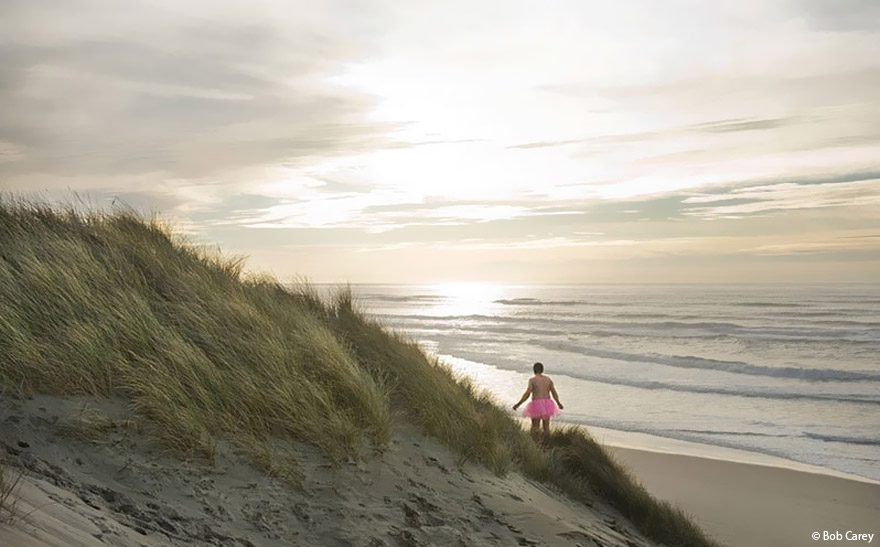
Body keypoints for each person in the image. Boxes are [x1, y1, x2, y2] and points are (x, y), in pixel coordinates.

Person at [513, 362, 563, 442]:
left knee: (535, 427)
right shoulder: (548, 380)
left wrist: (518, 404)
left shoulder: (532, 380)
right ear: (542, 370)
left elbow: (527, 393)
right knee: (546, 427)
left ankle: (534, 443)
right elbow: (554, 392)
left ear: (534, 370)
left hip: (536, 404)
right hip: (547, 404)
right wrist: (558, 403)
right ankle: (547, 443)